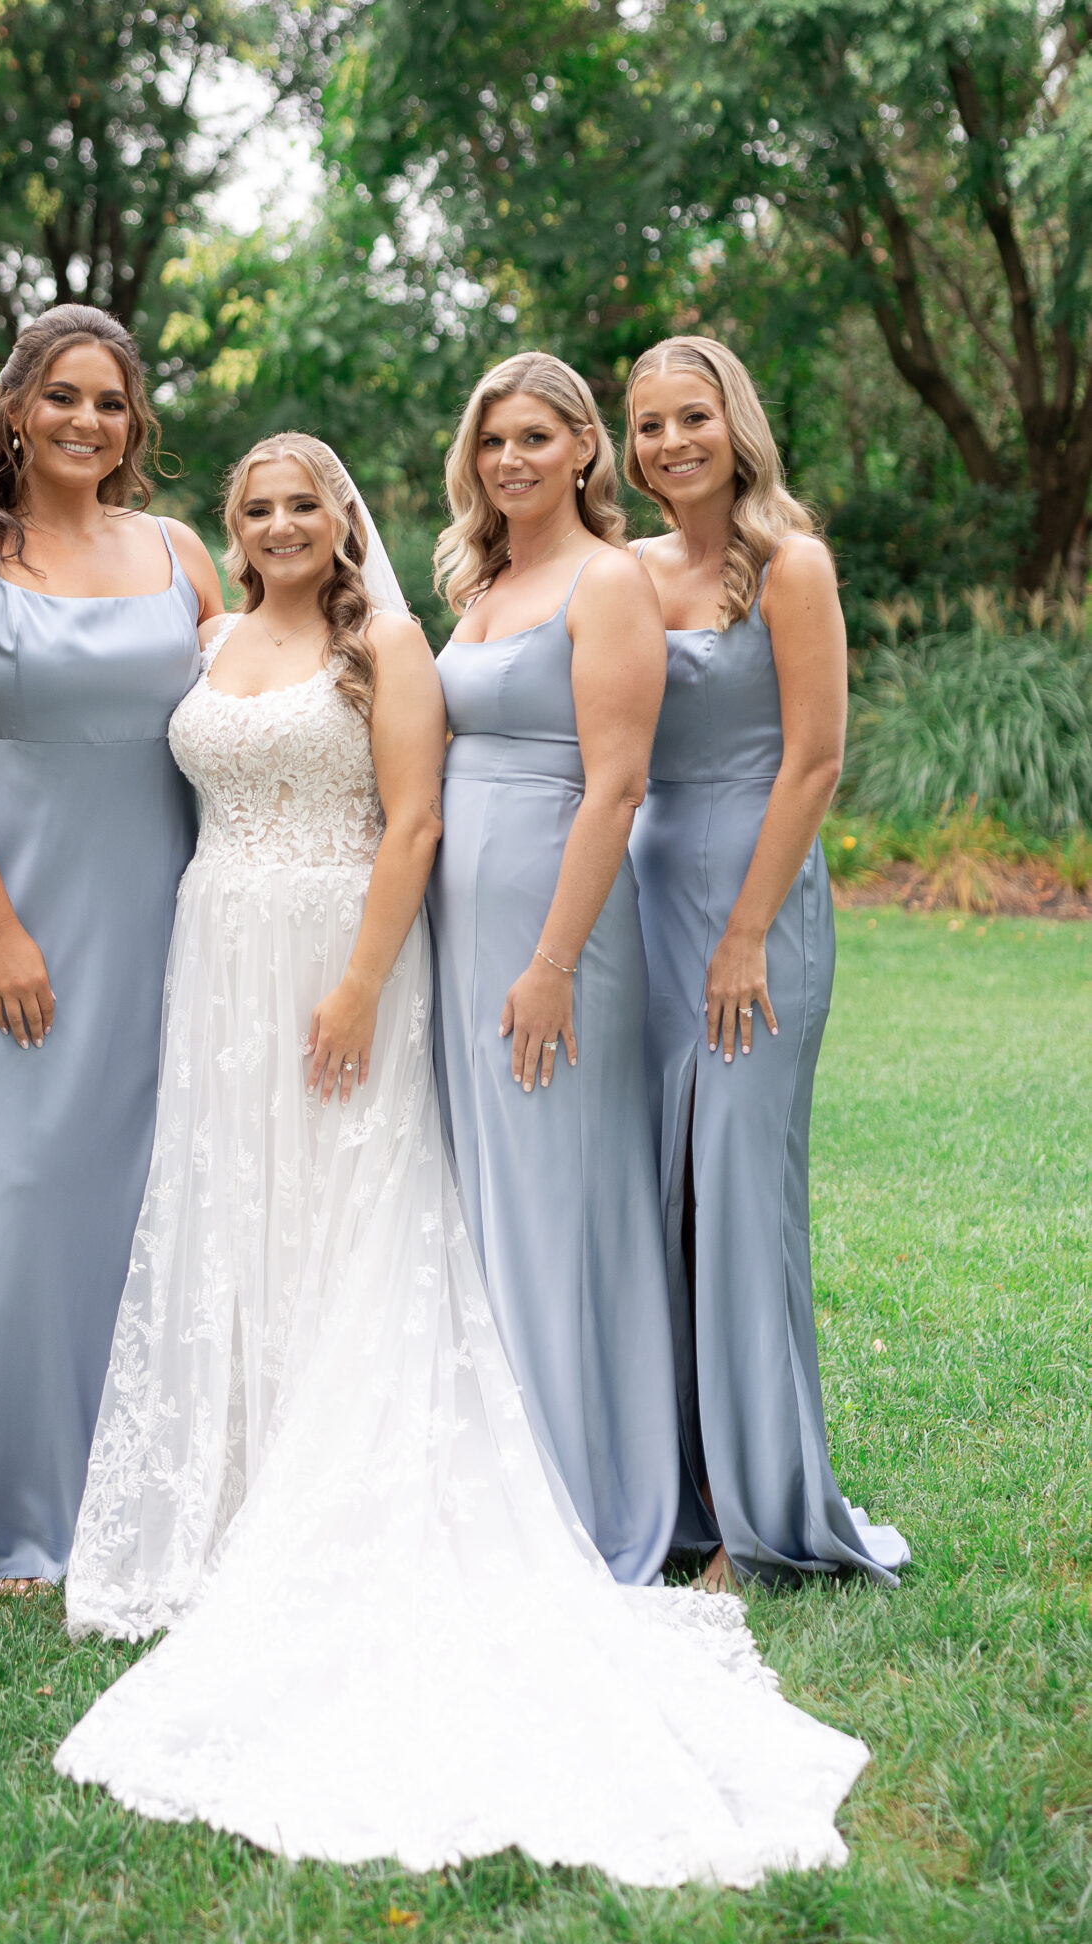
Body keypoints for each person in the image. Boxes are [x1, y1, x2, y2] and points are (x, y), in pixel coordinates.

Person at [56, 434, 870, 1885]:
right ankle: (239, 1476)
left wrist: (371, 979)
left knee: (391, 1211)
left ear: (344, 515)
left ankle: (628, 1488)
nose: (282, 521)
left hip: (364, 946)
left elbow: (430, 811)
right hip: (219, 953)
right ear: (231, 529)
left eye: (306, 499)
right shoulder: (229, 626)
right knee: (243, 1210)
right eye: (257, 506)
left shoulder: (396, 638)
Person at [0, 304, 224, 1586]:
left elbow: (256, 694)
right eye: (64, 397)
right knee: (20, 1190)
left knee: (151, 1197)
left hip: (166, 909)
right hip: (11, 911)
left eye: (112, 401)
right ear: (16, 409)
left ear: (135, 423)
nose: (89, 420)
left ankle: (140, 1490)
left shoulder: (181, 550)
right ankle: (9, 1511)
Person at [625, 334, 908, 1588]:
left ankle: (764, 1512)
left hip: (759, 907)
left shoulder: (790, 565)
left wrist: (745, 934)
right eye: (646, 426)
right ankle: (678, 1496)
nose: (671, 442)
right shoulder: (625, 573)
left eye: (692, 416)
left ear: (735, 421)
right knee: (660, 1205)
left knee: (741, 1200)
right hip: (643, 895)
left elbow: (814, 760)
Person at [428, 352, 679, 1582]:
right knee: (486, 1201)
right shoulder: (486, 579)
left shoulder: (608, 579)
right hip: (459, 934)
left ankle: (586, 1483)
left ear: (586, 447)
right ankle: (498, 1468)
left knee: (560, 1197)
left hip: (554, 932)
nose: (512, 459)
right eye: (492, 441)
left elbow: (618, 781)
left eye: (536, 436)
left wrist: (554, 961)